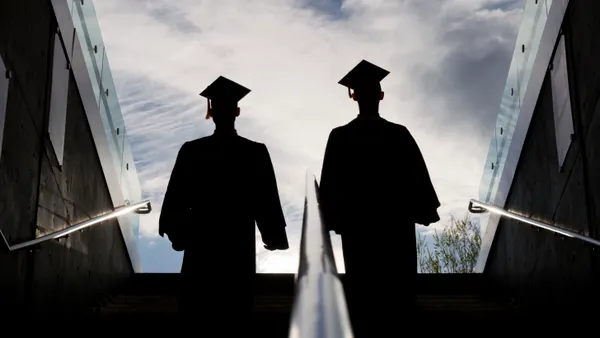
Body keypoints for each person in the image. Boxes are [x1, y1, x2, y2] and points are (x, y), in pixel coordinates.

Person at [319, 60, 441, 336]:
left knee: (373, 298)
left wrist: (333, 217)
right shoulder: (395, 135)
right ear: (377, 96)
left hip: (365, 228)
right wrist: (423, 209)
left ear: (355, 96)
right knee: (390, 298)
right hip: (384, 227)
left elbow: (331, 186)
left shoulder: (343, 137)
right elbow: (416, 180)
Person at [158, 76, 290, 330]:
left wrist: (178, 233)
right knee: (235, 313)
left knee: (200, 313)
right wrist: (273, 235)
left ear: (211, 111)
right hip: (236, 243)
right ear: (237, 111)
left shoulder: (193, 151)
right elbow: (266, 198)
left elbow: (176, 197)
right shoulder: (255, 152)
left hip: (202, 243)